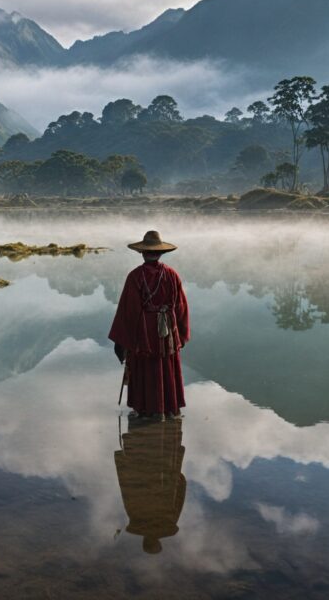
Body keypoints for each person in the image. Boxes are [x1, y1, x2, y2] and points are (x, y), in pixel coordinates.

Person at [109, 229, 189, 419]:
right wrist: (181, 334)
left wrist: (124, 340)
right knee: (166, 364)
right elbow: (181, 307)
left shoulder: (135, 276)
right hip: (167, 330)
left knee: (144, 366)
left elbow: (128, 312)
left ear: (143, 253)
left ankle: (145, 409)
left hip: (144, 330)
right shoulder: (172, 275)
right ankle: (168, 408)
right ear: (160, 253)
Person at [114, 415, 187, 553]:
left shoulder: (162, 523)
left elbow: (128, 492)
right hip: (150, 473)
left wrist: (180, 481)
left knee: (163, 452)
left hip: (164, 476)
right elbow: (128, 491)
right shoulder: (143, 521)